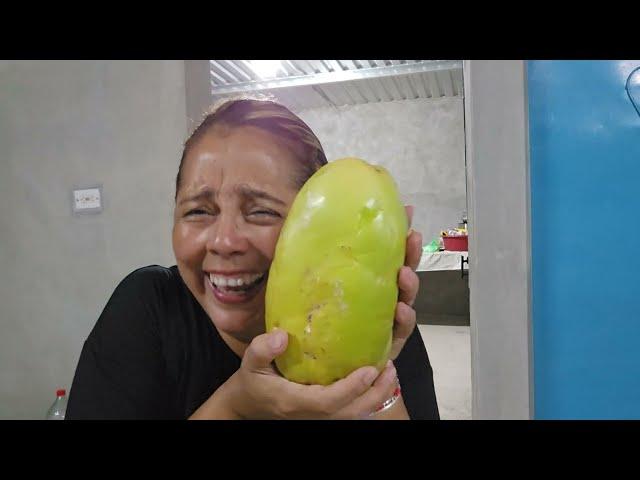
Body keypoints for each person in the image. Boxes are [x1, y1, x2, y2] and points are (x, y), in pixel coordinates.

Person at [66, 96, 440, 420]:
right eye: (198, 211)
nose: (224, 241)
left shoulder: (376, 320)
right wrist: (237, 406)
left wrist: (370, 385)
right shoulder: (146, 310)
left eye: (260, 211)